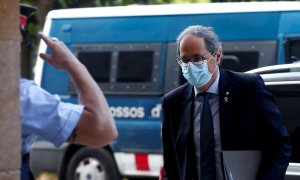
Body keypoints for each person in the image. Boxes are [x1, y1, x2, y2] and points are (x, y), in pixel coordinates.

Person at [161, 25, 291, 180]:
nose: (190, 65)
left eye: (197, 58)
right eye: (185, 60)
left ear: (217, 56)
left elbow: (279, 145)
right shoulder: (173, 102)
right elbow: (171, 162)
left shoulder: (248, 89)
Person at [19, 4, 118, 180]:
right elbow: (103, 130)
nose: (21, 45)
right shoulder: (19, 96)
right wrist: (73, 63)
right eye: (19, 39)